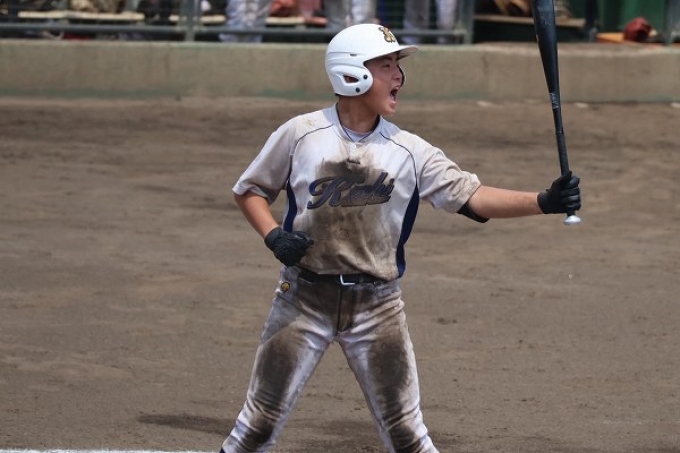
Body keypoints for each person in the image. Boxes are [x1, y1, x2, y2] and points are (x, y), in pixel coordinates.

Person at [220, 23, 581, 453]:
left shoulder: (409, 150)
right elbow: (250, 190)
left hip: (378, 308)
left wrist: (543, 201)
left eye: (398, 66)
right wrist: (273, 236)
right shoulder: (301, 134)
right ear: (352, 73)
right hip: (302, 300)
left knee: (407, 435)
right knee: (256, 427)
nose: (399, 76)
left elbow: (473, 197)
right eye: (387, 65)